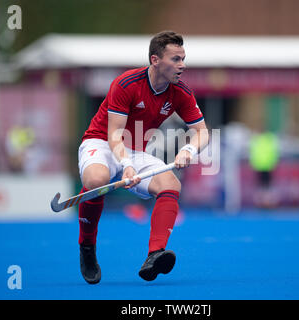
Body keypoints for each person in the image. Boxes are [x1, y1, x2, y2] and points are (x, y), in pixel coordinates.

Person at [77, 31, 209, 284]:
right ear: (155, 60)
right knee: (96, 182)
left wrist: (188, 150)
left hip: (137, 151)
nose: (182, 65)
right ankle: (87, 246)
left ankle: (155, 254)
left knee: (171, 184)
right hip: (102, 142)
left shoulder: (180, 92)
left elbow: (202, 132)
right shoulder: (126, 84)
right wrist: (125, 166)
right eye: (176, 59)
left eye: (183, 58)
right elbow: (114, 134)